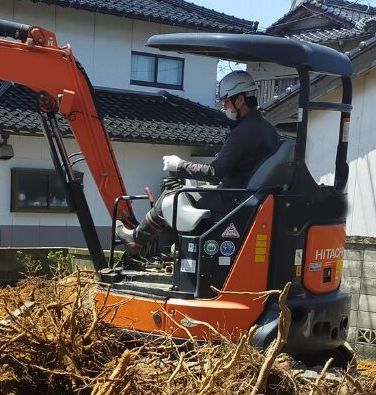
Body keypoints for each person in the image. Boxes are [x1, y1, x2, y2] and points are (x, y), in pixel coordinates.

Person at [117, 69, 281, 256]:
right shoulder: (269, 130)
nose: (225, 106)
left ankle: (137, 240)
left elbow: (214, 172)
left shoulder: (243, 132)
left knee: (171, 198)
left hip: (233, 198)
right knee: (182, 196)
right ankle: (172, 249)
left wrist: (179, 166)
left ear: (241, 100)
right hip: (249, 196)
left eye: (227, 101)